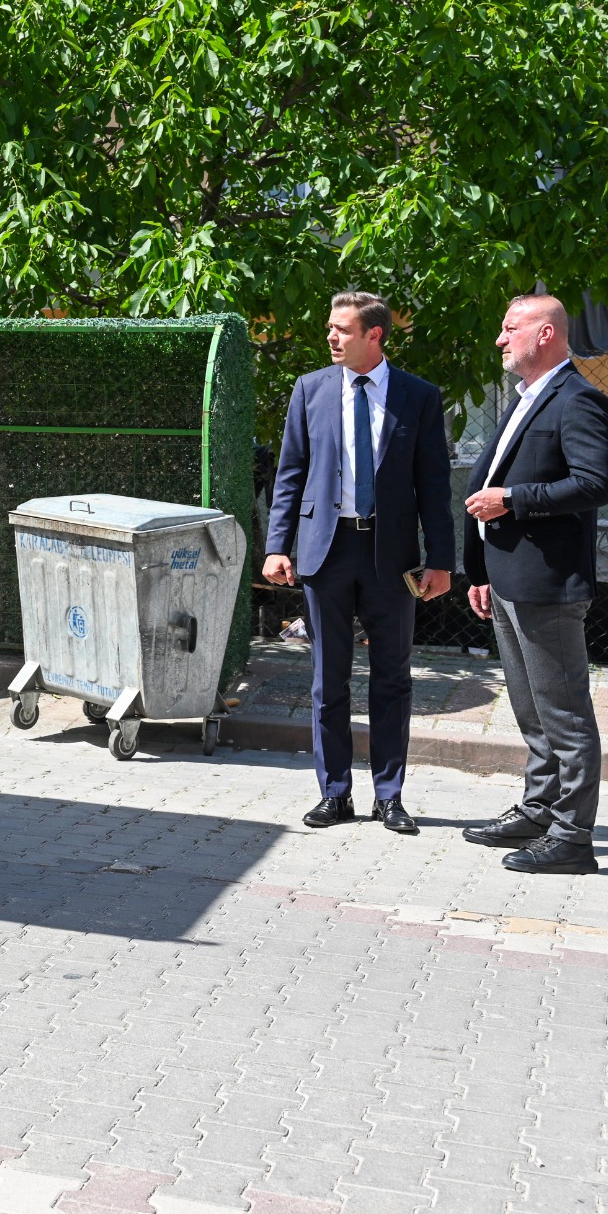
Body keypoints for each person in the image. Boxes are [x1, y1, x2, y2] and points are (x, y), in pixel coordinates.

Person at [263, 291, 455, 834]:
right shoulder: (312, 389)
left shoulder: (417, 396)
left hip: (391, 558)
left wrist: (440, 559)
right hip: (326, 550)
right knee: (329, 679)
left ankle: (389, 797)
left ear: (375, 335)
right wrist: (278, 546)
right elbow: (290, 473)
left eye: (342, 330)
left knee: (393, 678)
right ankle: (335, 793)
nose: (331, 338)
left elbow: (433, 484)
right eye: (330, 328)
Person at [459, 294, 608, 875]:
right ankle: (540, 806)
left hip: (548, 583)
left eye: (510, 328)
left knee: (565, 712)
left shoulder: (577, 399)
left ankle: (574, 837)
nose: (500, 339)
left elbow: (594, 484)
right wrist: (478, 570)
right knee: (531, 709)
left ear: (545, 332)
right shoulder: (529, 397)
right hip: (506, 578)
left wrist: (514, 502)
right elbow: (494, 479)